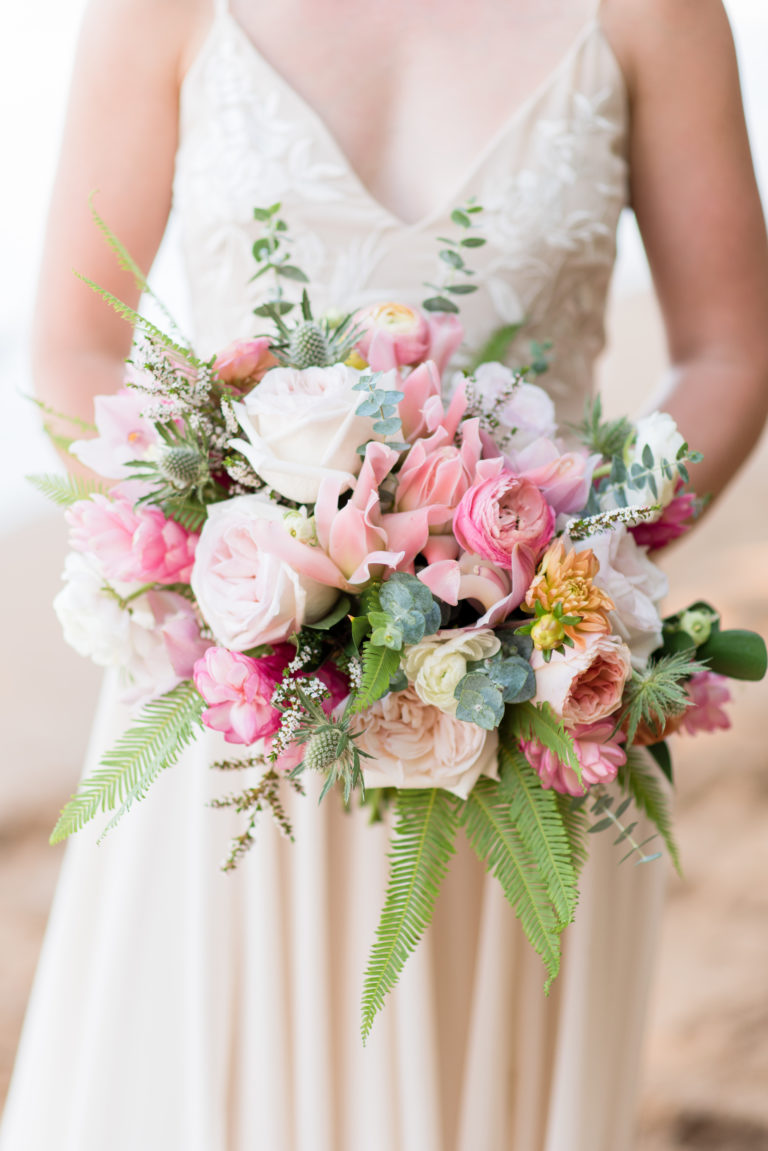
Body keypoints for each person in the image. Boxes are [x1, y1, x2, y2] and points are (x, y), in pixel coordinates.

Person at [3, 0, 768, 1147]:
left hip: (531, 703)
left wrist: (564, 563)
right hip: (244, 692)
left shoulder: (654, 13)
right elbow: (74, 345)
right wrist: (226, 550)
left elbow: (729, 346)